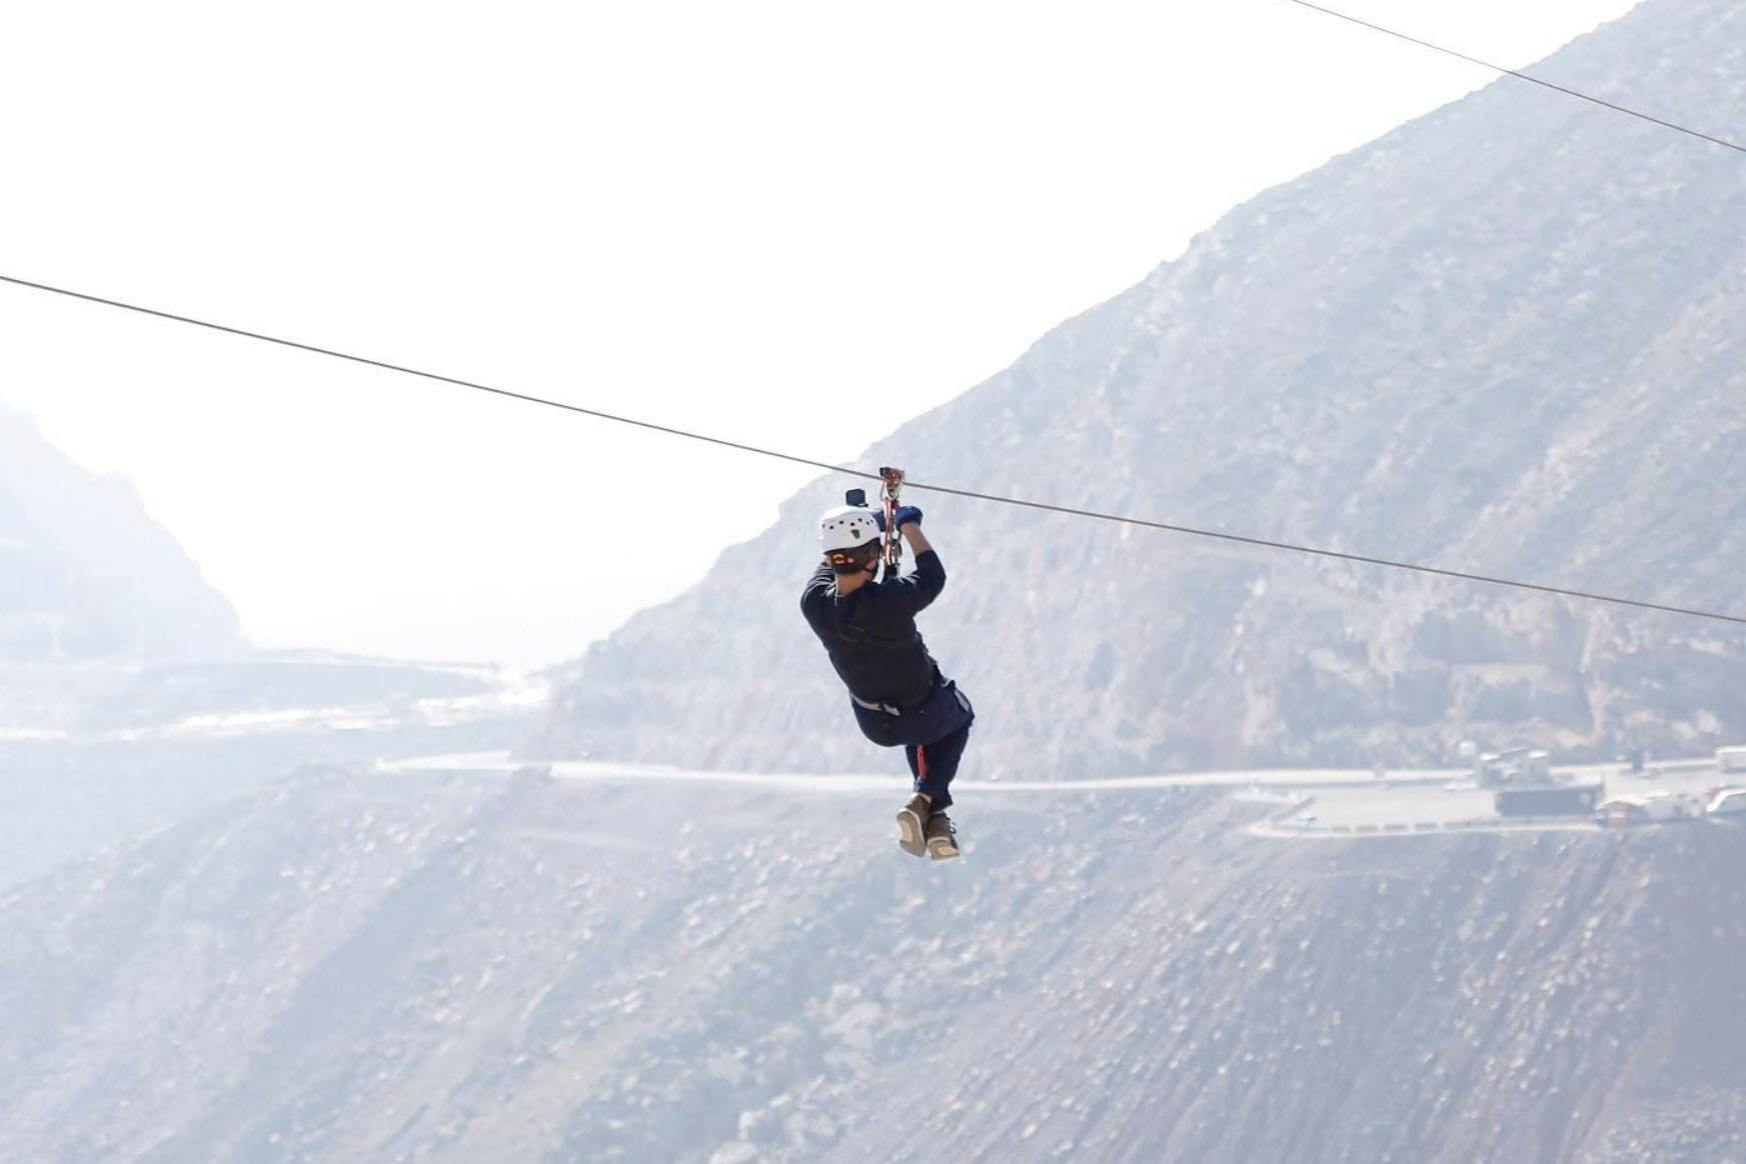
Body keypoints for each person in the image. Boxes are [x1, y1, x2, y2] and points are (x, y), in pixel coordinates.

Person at [800, 500, 974, 859]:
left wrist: (865, 527)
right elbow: (932, 575)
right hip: (922, 712)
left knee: (924, 733)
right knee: (957, 717)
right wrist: (908, 525)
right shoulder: (891, 600)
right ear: (872, 556)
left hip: (875, 723)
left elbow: (830, 564)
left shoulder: (814, 604)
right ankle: (926, 798)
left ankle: (935, 819)